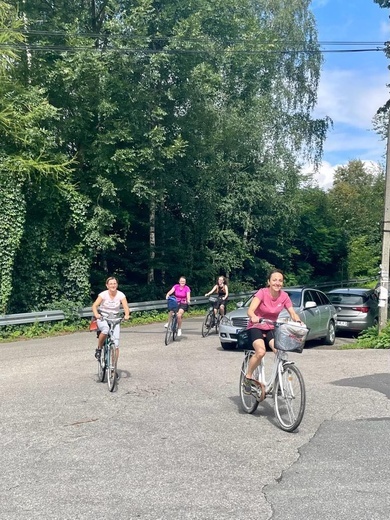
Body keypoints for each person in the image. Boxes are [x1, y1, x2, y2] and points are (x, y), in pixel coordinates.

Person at [244, 269, 302, 391]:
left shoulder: (284, 296)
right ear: (269, 282)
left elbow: (292, 312)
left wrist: (298, 321)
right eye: (274, 280)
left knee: (280, 352)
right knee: (260, 352)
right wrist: (254, 317)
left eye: (280, 280)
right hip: (256, 326)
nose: (277, 283)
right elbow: (250, 310)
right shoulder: (262, 293)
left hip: (271, 327)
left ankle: (278, 381)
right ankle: (248, 377)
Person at [91, 277, 130, 366]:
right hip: (103, 317)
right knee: (105, 330)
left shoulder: (121, 295)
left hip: (115, 318)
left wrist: (127, 315)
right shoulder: (103, 294)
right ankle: (99, 348)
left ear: (117, 284)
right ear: (107, 285)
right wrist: (97, 314)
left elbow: (126, 307)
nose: (113, 285)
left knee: (116, 344)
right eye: (111, 284)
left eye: (114, 283)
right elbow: (94, 306)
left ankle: (114, 367)